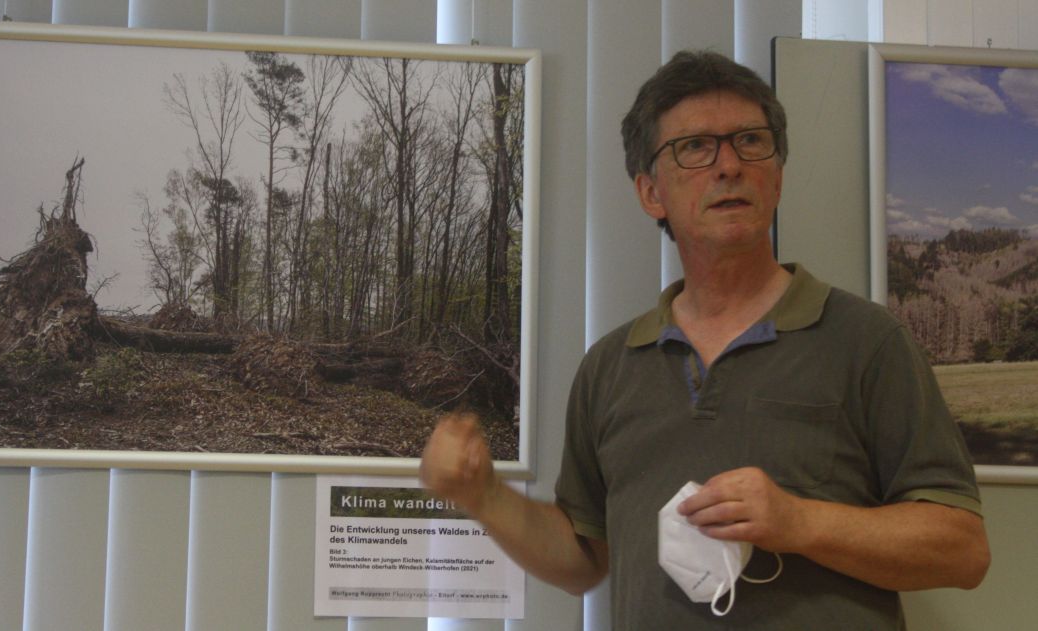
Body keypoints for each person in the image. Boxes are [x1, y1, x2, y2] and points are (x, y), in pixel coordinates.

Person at [419, 50, 990, 629]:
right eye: (694, 147)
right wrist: (484, 495)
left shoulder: (869, 342)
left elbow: (962, 549)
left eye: (749, 141)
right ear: (651, 193)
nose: (729, 165)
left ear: (778, 176)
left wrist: (800, 522)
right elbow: (583, 561)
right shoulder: (611, 367)